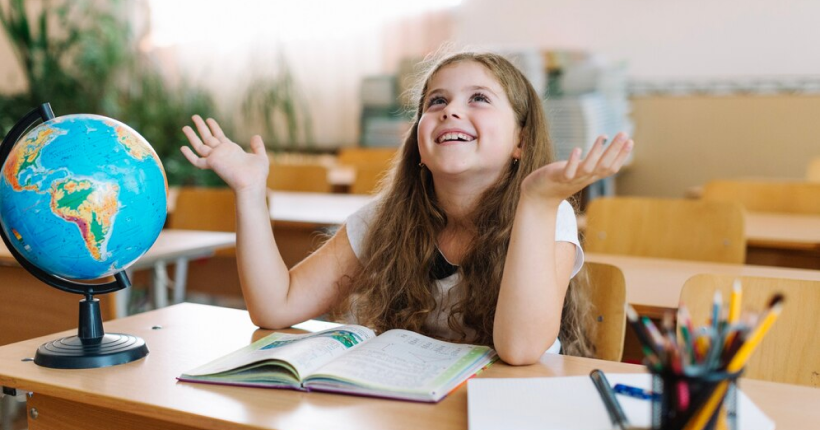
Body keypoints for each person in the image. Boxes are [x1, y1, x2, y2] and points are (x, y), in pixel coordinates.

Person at [180, 51, 633, 365]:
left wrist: (535, 202)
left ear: (521, 141)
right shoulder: (385, 219)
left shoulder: (546, 213)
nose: (451, 111)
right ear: (418, 138)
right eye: (437, 101)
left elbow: (519, 350)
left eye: (478, 98)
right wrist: (250, 191)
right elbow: (274, 307)